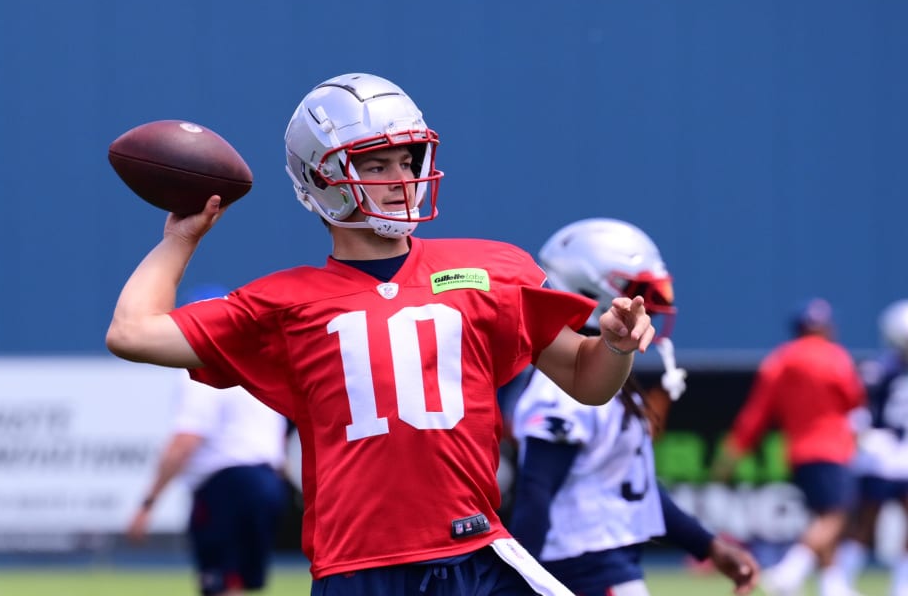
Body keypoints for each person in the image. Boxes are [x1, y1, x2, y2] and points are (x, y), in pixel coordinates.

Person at [106, 72, 656, 596]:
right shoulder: (283, 302)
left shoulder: (490, 270)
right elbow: (133, 332)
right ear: (322, 178)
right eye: (374, 165)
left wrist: (614, 346)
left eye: (405, 159)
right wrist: (180, 239)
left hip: (474, 552)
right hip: (357, 566)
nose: (399, 178)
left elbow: (588, 381)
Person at [507, 218, 759, 596]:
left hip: (609, 566)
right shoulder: (560, 389)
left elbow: (634, 489)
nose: (651, 309)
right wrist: (515, 580)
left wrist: (708, 547)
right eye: (638, 292)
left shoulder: (612, 383)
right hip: (581, 569)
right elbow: (536, 491)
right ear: (588, 289)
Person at [712, 297, 867, 596]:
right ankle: (789, 572)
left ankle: (832, 585)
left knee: (822, 517)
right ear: (826, 327)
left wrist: (732, 453)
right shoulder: (836, 358)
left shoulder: (780, 360)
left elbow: (755, 415)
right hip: (834, 449)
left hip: (799, 453)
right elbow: (855, 402)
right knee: (835, 516)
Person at [126, 371, 289, 596]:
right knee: (236, 583)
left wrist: (148, 503)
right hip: (268, 482)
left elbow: (186, 439)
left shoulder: (201, 369)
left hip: (225, 486)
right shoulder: (255, 365)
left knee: (219, 584)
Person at [830, 299, 908, 596]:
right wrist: (864, 435)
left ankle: (902, 586)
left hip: (905, 455)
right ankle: (842, 581)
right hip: (880, 457)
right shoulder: (879, 370)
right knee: (865, 522)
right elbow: (858, 410)